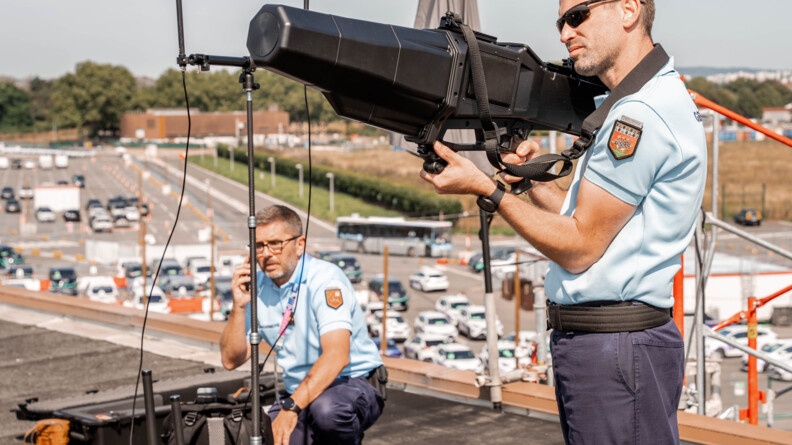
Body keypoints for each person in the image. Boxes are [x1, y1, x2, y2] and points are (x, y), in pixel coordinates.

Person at [420, 1, 705, 443]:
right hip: (612, 346)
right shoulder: (637, 103)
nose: (564, 33)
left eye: (577, 16)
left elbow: (580, 247)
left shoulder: (640, 116)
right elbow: (589, 225)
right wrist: (530, 181)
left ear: (628, 10)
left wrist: (486, 188)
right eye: (560, 22)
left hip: (614, 346)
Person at [220, 205, 385, 445]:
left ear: (300, 244)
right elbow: (230, 360)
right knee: (266, 436)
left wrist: (290, 409)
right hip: (299, 392)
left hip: (352, 383)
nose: (266, 254)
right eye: (258, 246)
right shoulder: (257, 287)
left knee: (328, 411)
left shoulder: (325, 280)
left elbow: (337, 357)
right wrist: (239, 306)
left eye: (276, 244)